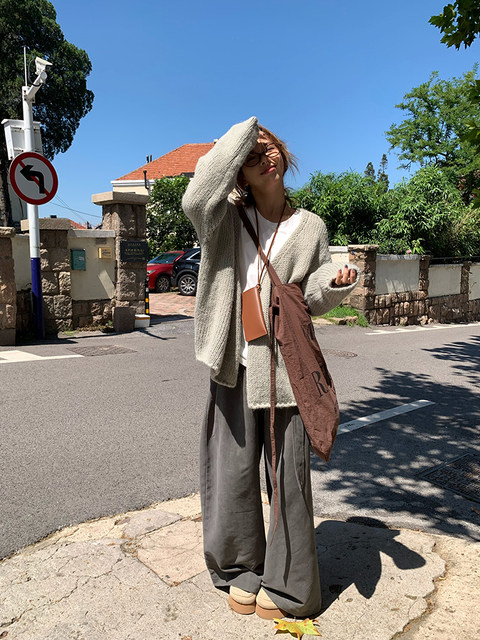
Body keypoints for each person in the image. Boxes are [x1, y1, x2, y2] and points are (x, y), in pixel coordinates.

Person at [182, 117, 358, 620]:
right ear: (239, 170)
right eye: (254, 156)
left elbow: (313, 293)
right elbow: (195, 195)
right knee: (233, 475)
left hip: (286, 368)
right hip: (233, 364)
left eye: (272, 149)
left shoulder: (311, 226)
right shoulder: (222, 215)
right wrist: (246, 131)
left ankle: (290, 586)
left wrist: (336, 283)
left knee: (289, 479)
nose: (267, 159)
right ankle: (241, 568)